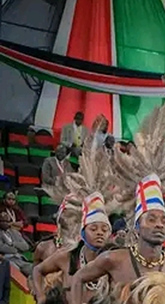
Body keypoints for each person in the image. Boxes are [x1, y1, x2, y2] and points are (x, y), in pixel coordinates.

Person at [69, 100, 165, 304]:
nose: (159, 224)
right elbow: (78, 278)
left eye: (163, 221)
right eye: (152, 219)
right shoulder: (114, 259)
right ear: (137, 227)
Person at [32, 128, 115, 304]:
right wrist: (40, 296)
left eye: (104, 228)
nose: (100, 232)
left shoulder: (114, 259)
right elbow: (37, 270)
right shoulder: (65, 255)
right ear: (83, 231)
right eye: (94, 228)